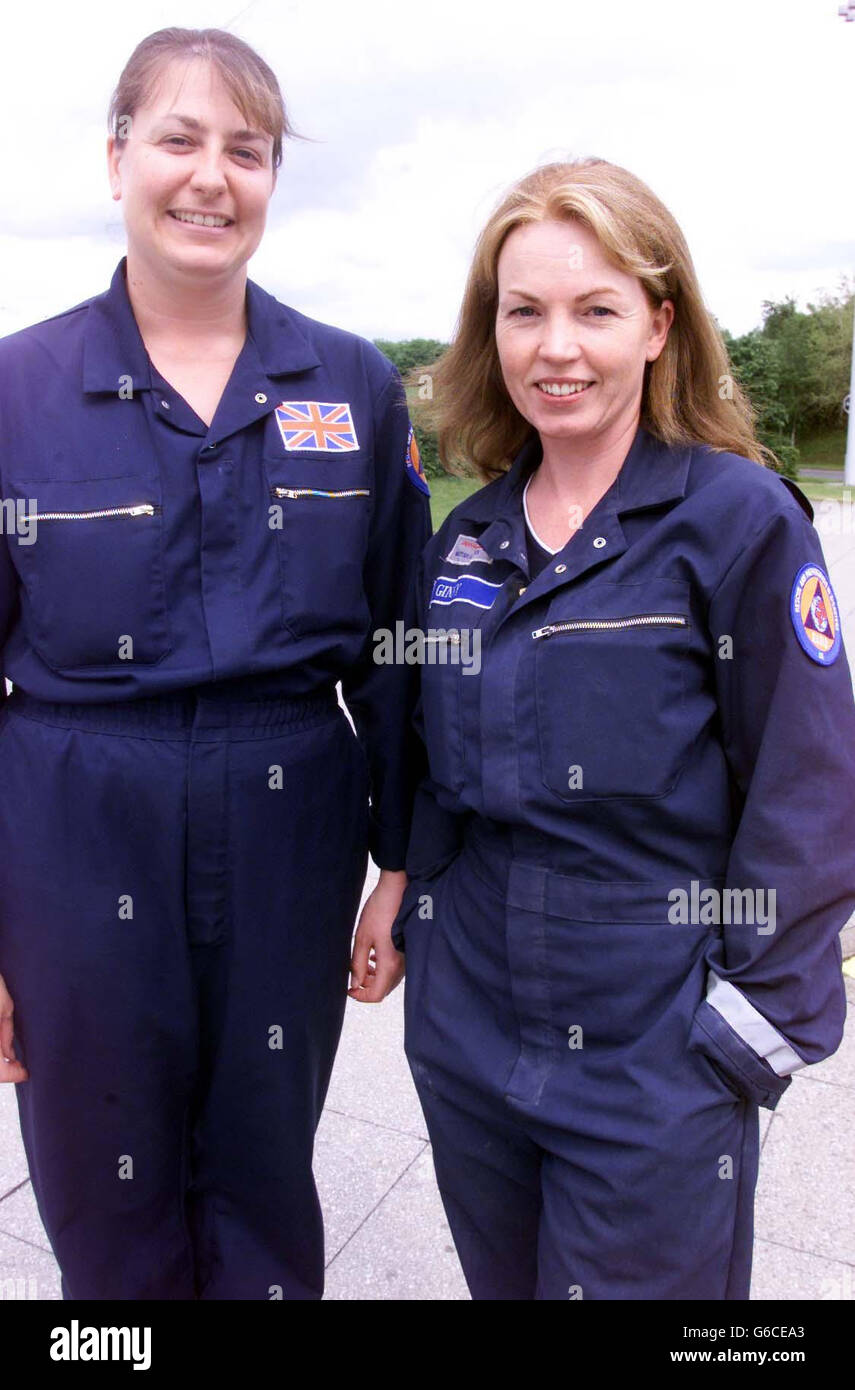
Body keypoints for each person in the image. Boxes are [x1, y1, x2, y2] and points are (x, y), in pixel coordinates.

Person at [0, 27, 430, 1300]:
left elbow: (400, 653)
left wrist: (401, 860)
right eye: (180, 138)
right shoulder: (17, 388)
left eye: (248, 149)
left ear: (273, 177)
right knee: (98, 1181)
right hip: (75, 825)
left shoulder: (350, 386)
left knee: (260, 1169)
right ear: (118, 156)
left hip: (288, 820)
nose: (211, 176)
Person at [393, 158, 855, 1300]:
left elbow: (814, 787)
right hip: (472, 1031)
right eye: (525, 311)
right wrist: (410, 900)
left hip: (656, 1043)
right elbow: (436, 766)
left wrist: (751, 1031)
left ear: (658, 325)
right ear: (489, 332)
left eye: (596, 309)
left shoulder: (738, 520)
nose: (558, 347)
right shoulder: (470, 541)